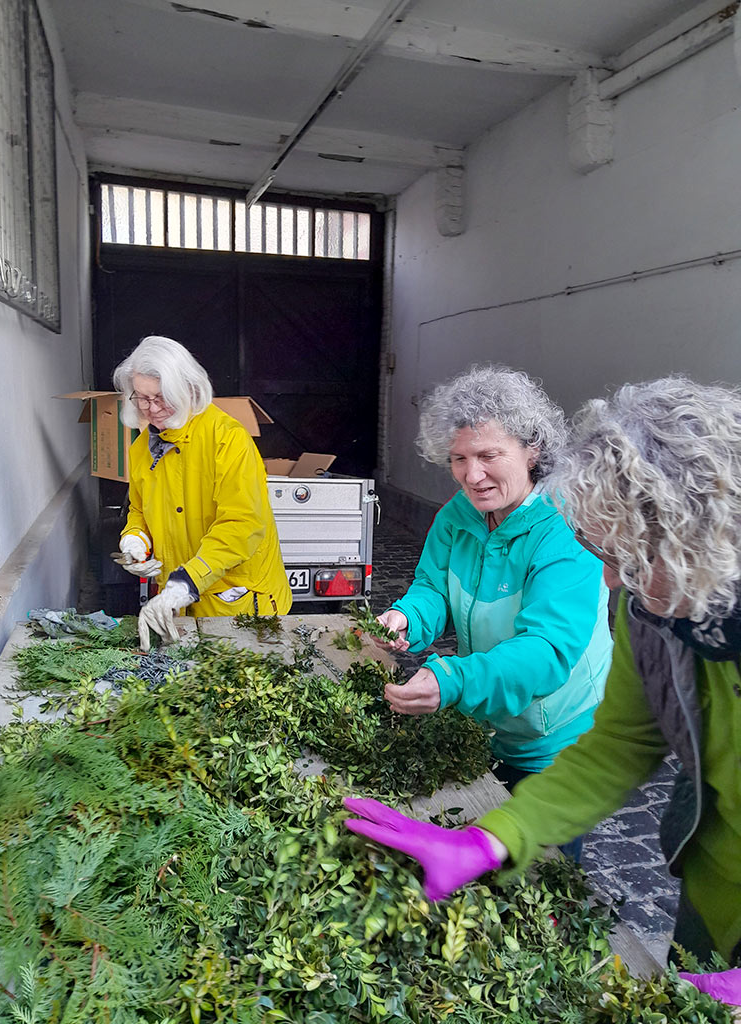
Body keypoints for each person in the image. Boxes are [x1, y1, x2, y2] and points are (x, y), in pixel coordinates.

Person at [344, 376, 741, 1004]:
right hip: (717, 888)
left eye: (630, 559)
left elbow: (550, 651)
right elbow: (615, 750)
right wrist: (491, 838)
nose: (609, 581)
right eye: (602, 554)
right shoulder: (654, 613)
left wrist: (451, 679)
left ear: (704, 534)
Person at [374, 365, 613, 857]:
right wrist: (406, 619)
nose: (471, 474)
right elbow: (431, 587)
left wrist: (453, 681)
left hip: (557, 742)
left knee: (541, 878)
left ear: (533, 450)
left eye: (488, 455)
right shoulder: (456, 516)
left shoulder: (566, 531)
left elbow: (547, 651)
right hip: (489, 722)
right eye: (458, 458)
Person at [112, 335, 292, 650]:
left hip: (238, 603)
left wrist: (187, 581)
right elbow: (139, 510)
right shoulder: (142, 448)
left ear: (187, 389)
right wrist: (135, 541)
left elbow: (242, 524)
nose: (150, 409)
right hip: (179, 605)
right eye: (141, 397)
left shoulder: (228, 439)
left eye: (159, 397)